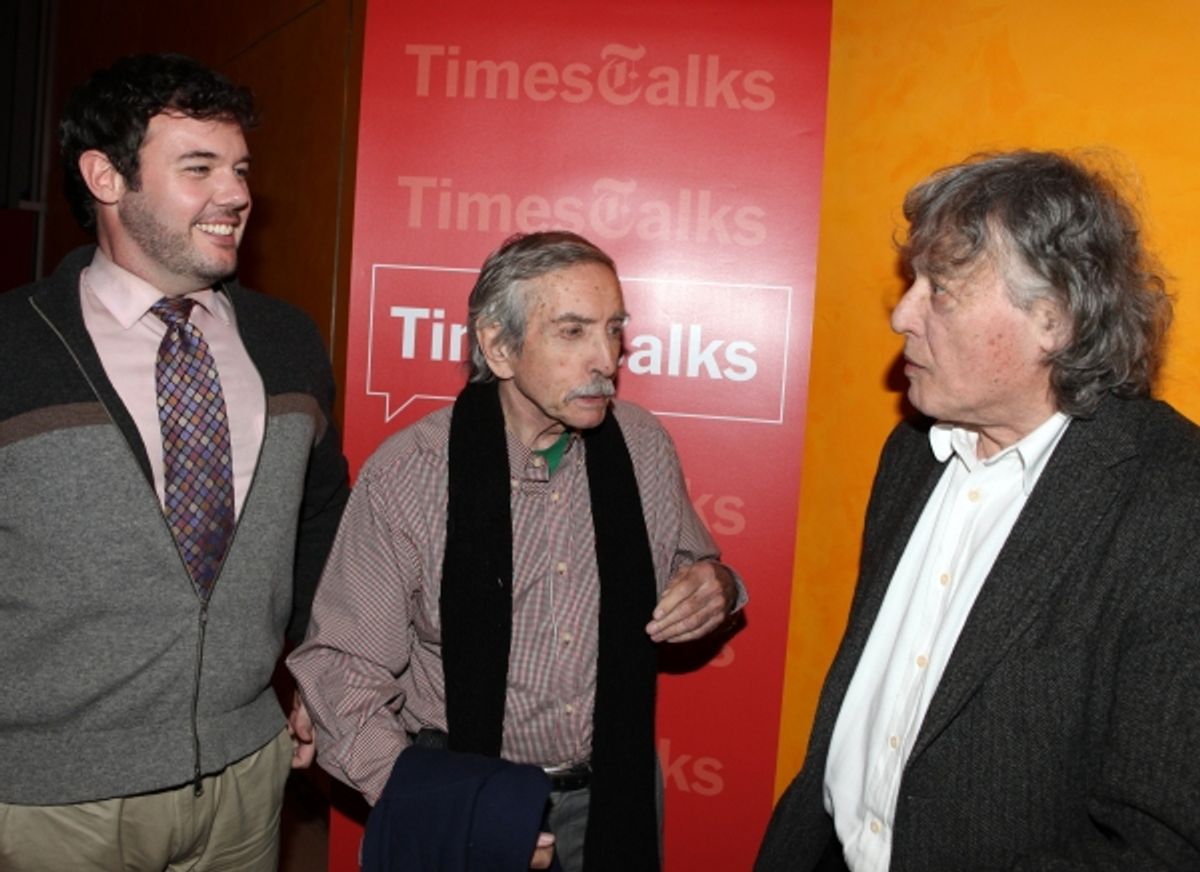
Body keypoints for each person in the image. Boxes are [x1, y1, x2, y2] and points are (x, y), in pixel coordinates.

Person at [756, 150, 1200, 871]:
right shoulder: (912, 453)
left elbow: (1157, 843)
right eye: (912, 284)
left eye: (942, 290)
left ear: (1051, 319)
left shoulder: (1174, 503)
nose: (903, 314)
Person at [288, 230, 743, 871]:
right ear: (499, 347)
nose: (606, 360)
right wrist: (447, 806)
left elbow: (687, 565)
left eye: (614, 330)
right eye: (573, 332)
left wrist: (715, 585)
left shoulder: (641, 446)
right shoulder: (410, 474)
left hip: (614, 795)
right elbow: (342, 673)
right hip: (469, 795)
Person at [0, 53, 349, 871]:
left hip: (243, 781)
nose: (235, 194)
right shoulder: (12, 346)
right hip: (47, 801)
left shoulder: (286, 340)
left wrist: (322, 670)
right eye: (198, 168)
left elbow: (321, 519)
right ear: (106, 176)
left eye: (239, 168)